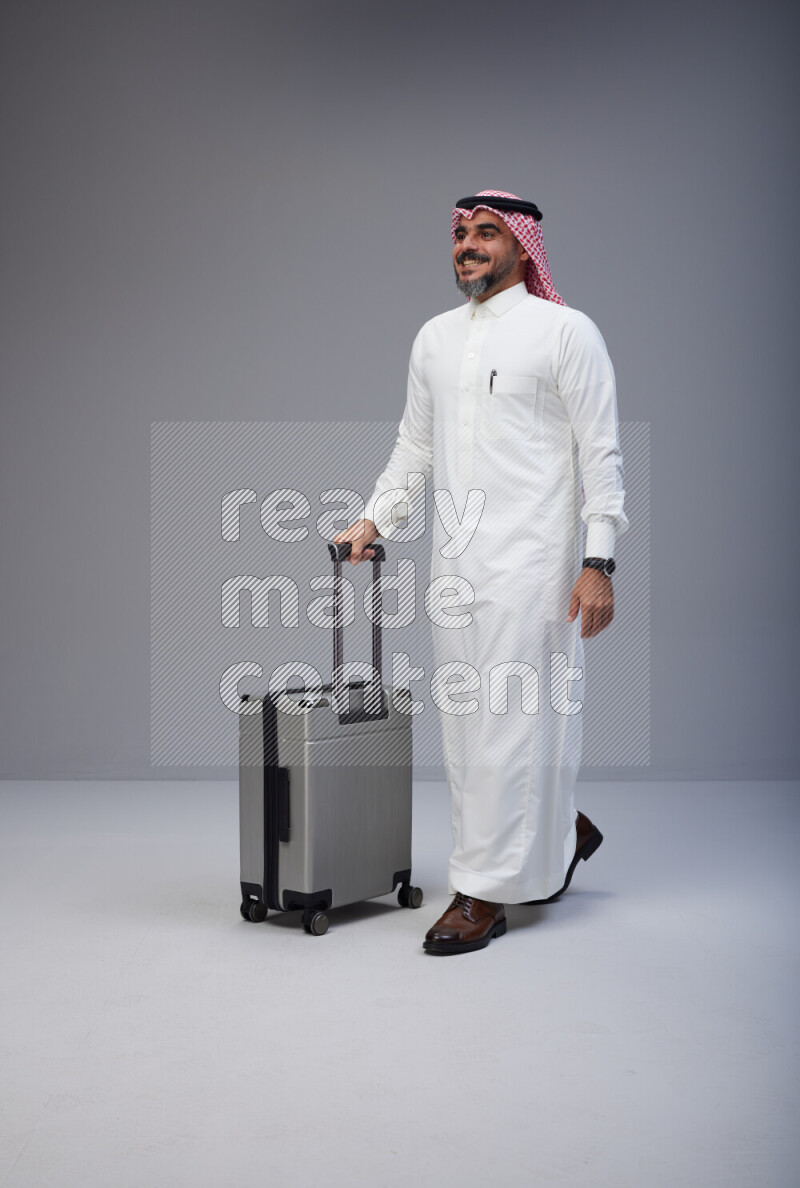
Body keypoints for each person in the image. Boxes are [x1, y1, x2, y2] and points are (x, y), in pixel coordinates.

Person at [334, 188, 628, 955]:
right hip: (455, 568)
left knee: (511, 723)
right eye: (461, 233)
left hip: (536, 563)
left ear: (523, 247)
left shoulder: (566, 332)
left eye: (487, 233)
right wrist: (376, 518)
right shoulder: (433, 339)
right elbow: (415, 447)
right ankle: (557, 826)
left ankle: (481, 893)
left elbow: (602, 456)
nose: (468, 245)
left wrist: (599, 561)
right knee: (469, 727)